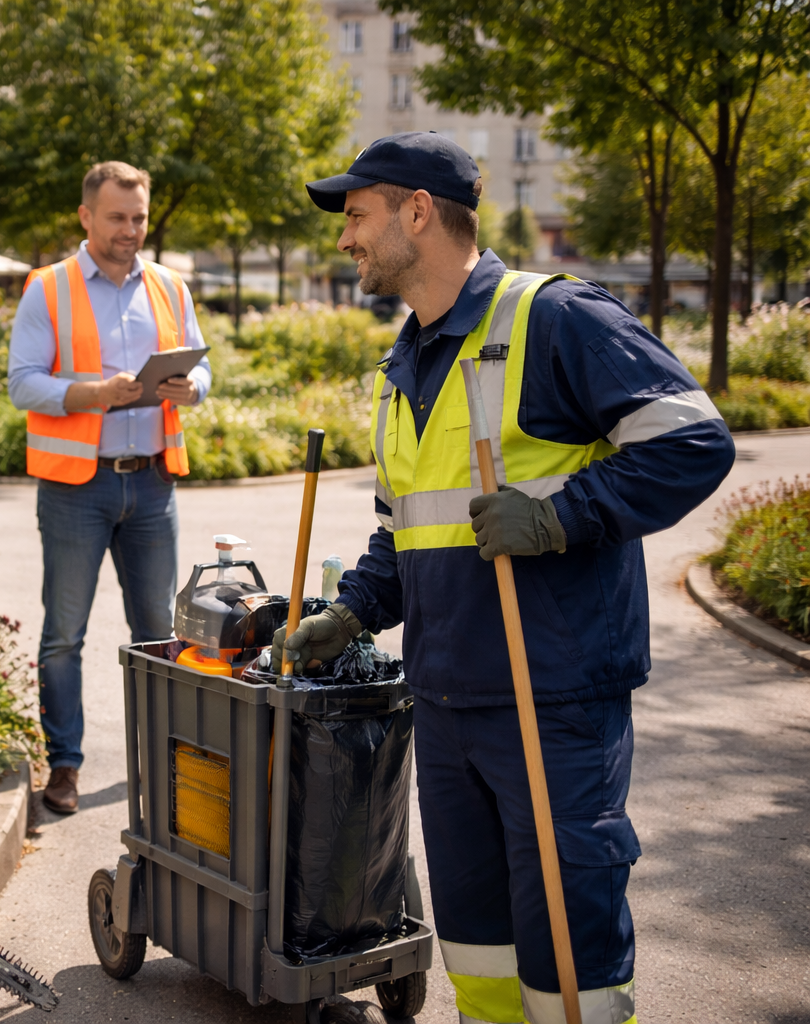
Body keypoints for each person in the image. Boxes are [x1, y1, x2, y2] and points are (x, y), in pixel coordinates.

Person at [279, 132, 734, 1024]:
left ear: (419, 211)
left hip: (552, 694)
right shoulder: (400, 364)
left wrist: (560, 516)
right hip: (447, 702)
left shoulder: (553, 318)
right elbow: (407, 527)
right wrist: (358, 611)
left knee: (571, 955)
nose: (345, 240)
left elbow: (692, 441)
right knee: (479, 949)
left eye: (359, 216)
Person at [8, 161, 212, 814]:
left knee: (158, 636)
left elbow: (202, 373)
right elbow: (23, 382)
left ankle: (161, 761)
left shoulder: (171, 287)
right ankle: (64, 765)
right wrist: (92, 394)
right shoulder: (48, 288)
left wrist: (191, 387)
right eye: (118, 217)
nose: (131, 230)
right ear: (86, 217)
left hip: (152, 485)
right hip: (76, 488)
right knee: (64, 635)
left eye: (140, 217)